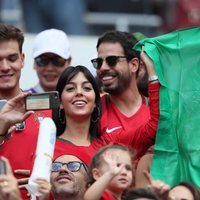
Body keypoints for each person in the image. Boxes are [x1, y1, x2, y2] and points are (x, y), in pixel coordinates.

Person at [53, 47, 159, 173]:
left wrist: (152, 74)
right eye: (70, 89)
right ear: (59, 102)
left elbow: (153, 128)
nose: (79, 93)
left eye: (87, 88)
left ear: (96, 103)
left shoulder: (109, 143)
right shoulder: (46, 146)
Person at [0, 24, 52, 199]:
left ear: (22, 59)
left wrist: (46, 175)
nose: (5, 67)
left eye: (12, 58)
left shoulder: (46, 113)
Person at [91, 31, 154, 150]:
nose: (103, 68)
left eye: (112, 60)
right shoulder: (92, 111)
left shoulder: (156, 111)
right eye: (98, 62)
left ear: (134, 65)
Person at [25, 28, 72, 93]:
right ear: (34, 63)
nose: (50, 68)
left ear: (69, 62)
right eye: (42, 60)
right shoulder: (21, 101)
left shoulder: (79, 100)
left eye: (58, 61)